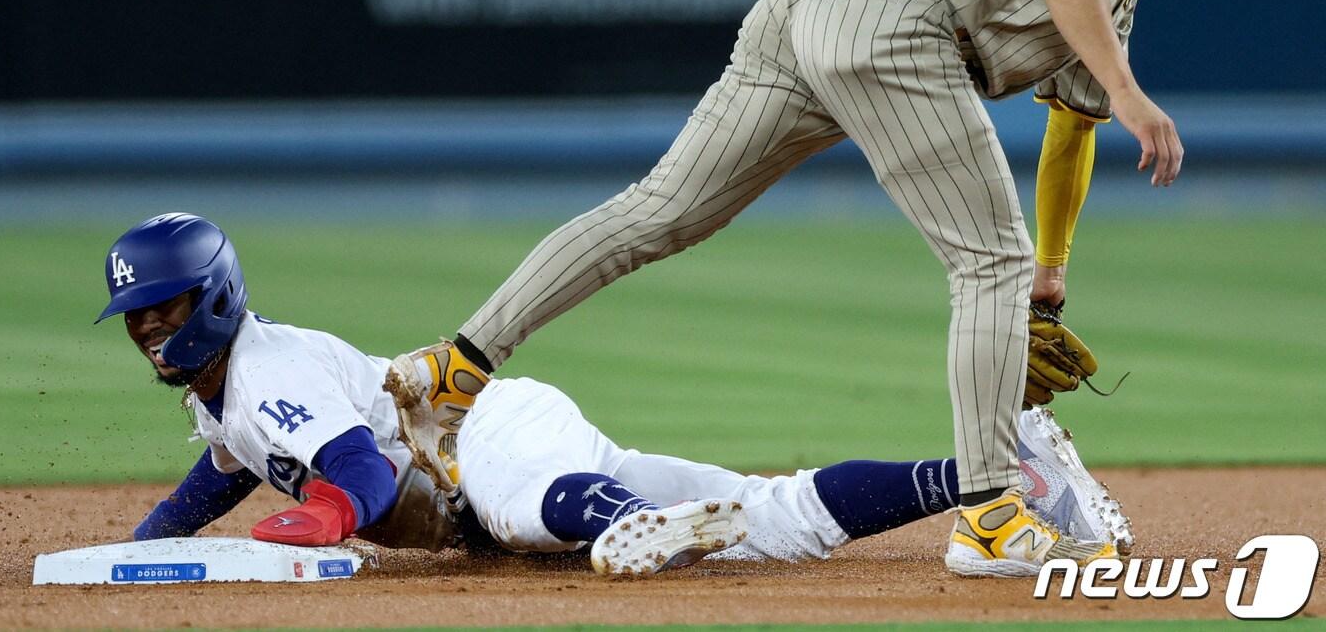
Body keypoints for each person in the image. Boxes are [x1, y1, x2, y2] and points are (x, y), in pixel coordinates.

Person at [387, 0, 1235, 577]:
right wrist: (1130, 94)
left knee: (658, 212)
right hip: (897, 20)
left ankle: (454, 369)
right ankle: (989, 519)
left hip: (823, 8)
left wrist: (1050, 269)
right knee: (988, 262)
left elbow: (1072, 121)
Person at [100, 213, 1130, 577]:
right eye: (137, 316)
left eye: (162, 307)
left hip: (487, 435)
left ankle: (632, 524)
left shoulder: (268, 370)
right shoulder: (224, 390)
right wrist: (140, 546)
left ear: (214, 296)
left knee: (518, 511)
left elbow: (361, 470)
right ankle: (996, 474)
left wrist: (324, 516)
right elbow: (223, 470)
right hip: (495, 452)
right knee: (773, 519)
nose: (148, 328)